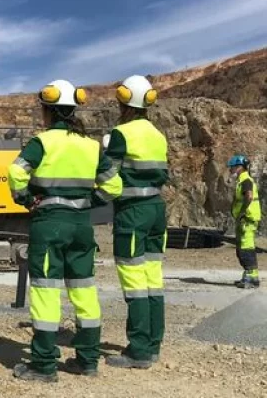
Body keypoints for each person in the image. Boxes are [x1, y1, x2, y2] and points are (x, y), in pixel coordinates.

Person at [7, 79, 123, 382]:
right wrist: (89, 202)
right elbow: (114, 185)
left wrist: (24, 198)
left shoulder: (42, 142)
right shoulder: (91, 146)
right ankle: (87, 360)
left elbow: (16, 171)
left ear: (48, 111)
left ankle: (44, 365)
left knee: (46, 291)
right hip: (81, 226)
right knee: (84, 291)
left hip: (50, 224)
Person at [103, 74, 169, 370]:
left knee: (134, 282)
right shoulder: (158, 135)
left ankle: (138, 350)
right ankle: (153, 345)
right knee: (153, 280)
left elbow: (110, 175)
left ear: (125, 101)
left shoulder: (121, 134)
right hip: (157, 210)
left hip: (132, 212)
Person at [227, 154, 261, 289]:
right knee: (242, 248)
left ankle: (251, 278)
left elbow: (249, 196)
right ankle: (250, 275)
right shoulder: (242, 181)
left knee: (246, 249)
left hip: (247, 219)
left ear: (239, 167)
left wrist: (242, 212)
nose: (230, 170)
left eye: (232, 167)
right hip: (244, 220)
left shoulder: (246, 181)